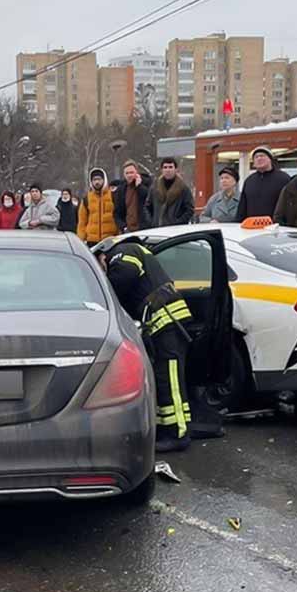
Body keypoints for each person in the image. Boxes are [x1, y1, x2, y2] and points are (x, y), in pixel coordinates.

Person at [96, 238, 192, 453]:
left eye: (100, 264)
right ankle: (174, 426)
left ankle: (178, 434)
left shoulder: (122, 252)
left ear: (103, 254)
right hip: (165, 320)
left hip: (167, 319)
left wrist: (105, 291)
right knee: (165, 377)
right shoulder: (135, 250)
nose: (103, 268)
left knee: (170, 380)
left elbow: (126, 274)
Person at [236, 146, 292, 223]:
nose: (259, 158)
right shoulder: (249, 181)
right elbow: (242, 206)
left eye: (262, 156)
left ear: (270, 159)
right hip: (251, 227)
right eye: (256, 157)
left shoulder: (283, 178)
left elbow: (290, 204)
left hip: (276, 226)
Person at [146, 157, 195, 227]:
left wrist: (178, 222)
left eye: (170, 167)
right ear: (161, 170)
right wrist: (151, 222)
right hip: (157, 228)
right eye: (165, 167)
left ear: (176, 169)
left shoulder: (183, 188)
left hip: (176, 230)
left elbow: (189, 209)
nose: (168, 170)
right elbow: (147, 207)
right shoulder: (154, 188)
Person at [77, 168, 117, 244]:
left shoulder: (113, 196)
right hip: (92, 240)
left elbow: (119, 216)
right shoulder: (87, 198)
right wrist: (81, 240)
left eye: (99, 179)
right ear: (91, 181)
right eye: (94, 180)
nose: (97, 182)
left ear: (104, 180)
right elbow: (82, 222)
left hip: (110, 239)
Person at [112, 160, 152, 232]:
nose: (129, 175)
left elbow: (146, 200)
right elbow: (117, 212)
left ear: (137, 172)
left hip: (144, 229)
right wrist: (123, 227)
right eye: (127, 173)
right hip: (128, 230)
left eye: (131, 172)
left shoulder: (147, 184)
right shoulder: (121, 190)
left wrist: (139, 186)